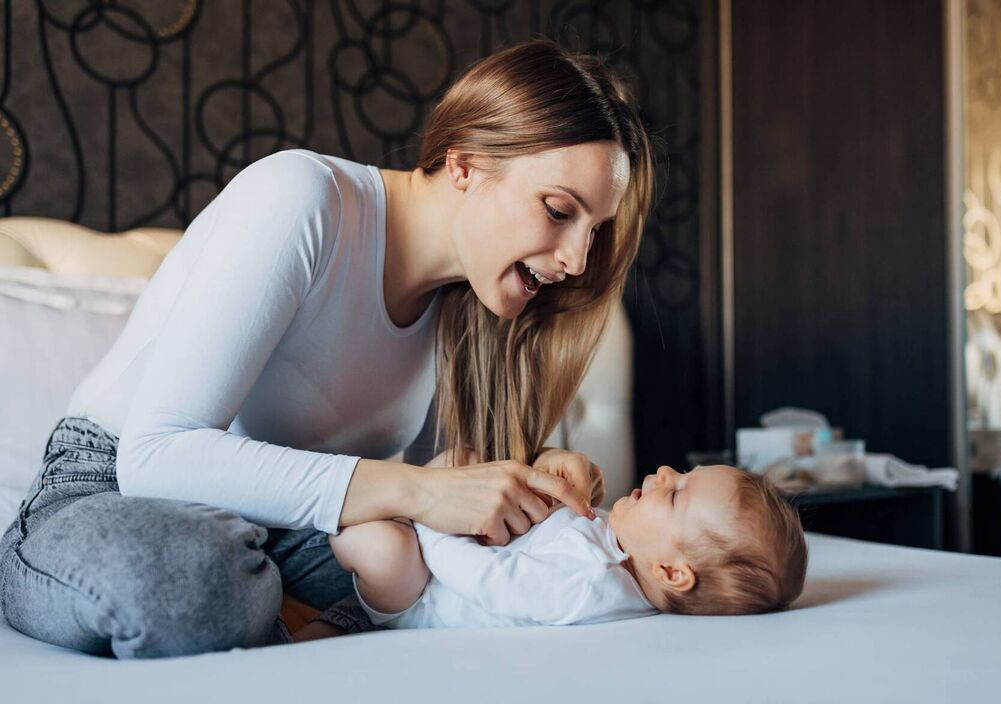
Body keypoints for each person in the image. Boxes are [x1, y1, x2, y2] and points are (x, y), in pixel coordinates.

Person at [0, 40, 653, 658]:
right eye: (559, 210)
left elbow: (428, 519)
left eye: (593, 231)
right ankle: (291, 623)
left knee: (463, 592)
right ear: (465, 163)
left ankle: (285, 626)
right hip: (107, 493)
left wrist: (537, 489)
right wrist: (419, 491)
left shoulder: (466, 306)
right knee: (194, 575)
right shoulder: (304, 198)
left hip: (283, 535)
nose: (575, 259)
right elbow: (154, 455)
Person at [293, 463, 808, 639]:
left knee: (385, 548)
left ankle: (331, 522)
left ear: (672, 571)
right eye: (682, 473)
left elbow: (490, 583)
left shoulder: (590, 586)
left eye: (675, 494)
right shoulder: (619, 546)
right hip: (446, 559)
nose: (665, 474)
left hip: (423, 597)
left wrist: (428, 521)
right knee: (459, 462)